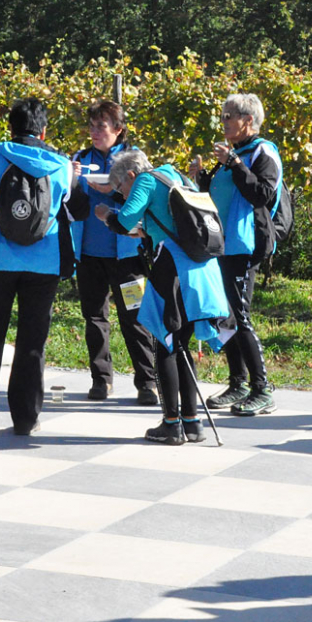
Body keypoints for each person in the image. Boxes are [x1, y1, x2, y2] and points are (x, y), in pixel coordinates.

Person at [0, 98, 81, 435]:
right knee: (32, 340)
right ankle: (26, 419)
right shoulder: (62, 165)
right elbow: (78, 210)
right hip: (45, 262)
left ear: (11, 127)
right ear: (44, 131)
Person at [99, 149, 230, 444]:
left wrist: (106, 214)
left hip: (172, 268)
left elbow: (123, 222)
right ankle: (192, 422)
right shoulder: (177, 177)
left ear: (130, 175)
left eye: (121, 188)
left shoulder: (145, 180)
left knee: (166, 343)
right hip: (202, 267)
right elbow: (172, 222)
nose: (123, 194)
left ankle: (171, 424)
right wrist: (144, 231)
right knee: (182, 344)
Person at [190, 93, 283, 416]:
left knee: (240, 316)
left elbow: (262, 193)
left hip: (244, 244)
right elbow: (221, 194)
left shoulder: (261, 151)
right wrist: (202, 177)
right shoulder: (235, 153)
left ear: (248, 120)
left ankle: (262, 389)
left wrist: (235, 164)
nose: (224, 120)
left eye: (230, 115)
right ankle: (238, 383)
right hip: (223, 244)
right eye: (223, 114)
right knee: (225, 314)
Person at [70, 99, 159, 405]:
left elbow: (146, 199)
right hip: (89, 254)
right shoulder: (80, 159)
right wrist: (72, 181)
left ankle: (148, 382)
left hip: (128, 255)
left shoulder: (135, 159)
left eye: (102, 126)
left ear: (119, 129)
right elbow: (71, 203)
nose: (94, 131)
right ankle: (101, 379)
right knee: (95, 318)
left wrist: (114, 194)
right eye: (91, 125)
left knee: (135, 318)